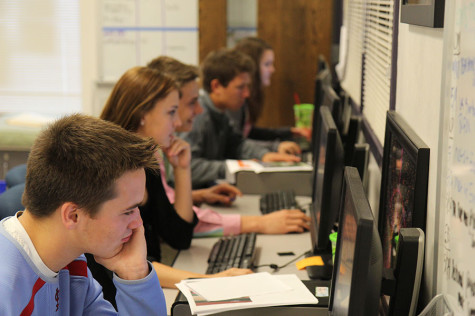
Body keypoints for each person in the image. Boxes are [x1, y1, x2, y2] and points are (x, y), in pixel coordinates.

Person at [94, 66, 252, 304]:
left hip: (142, 285)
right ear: (141, 115)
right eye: (171, 112)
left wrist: (182, 169)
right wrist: (209, 280)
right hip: (114, 299)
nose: (177, 122)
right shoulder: (108, 172)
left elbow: (178, 236)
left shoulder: (145, 163)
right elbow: (125, 263)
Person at [0, 114, 166, 315]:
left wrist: (135, 273)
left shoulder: (72, 264)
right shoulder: (5, 289)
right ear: (73, 216)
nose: (137, 223)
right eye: (128, 211)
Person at [147, 55, 311, 237]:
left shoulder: (156, 149)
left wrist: (199, 195)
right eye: (191, 102)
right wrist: (259, 223)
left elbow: (164, 201)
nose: (198, 109)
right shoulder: (149, 154)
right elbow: (173, 226)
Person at [182, 48, 302, 189]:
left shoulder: (220, 112)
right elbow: (187, 167)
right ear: (216, 86)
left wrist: (264, 155)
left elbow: (237, 144)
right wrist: (236, 166)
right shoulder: (198, 117)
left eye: (247, 86)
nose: (246, 94)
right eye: (240, 87)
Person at [229, 37, 311, 149]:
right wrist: (276, 146)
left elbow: (248, 132)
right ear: (252, 67)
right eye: (267, 64)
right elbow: (236, 144)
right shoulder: (236, 100)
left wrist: (289, 132)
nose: (272, 70)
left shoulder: (249, 97)